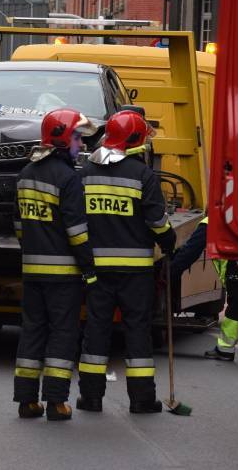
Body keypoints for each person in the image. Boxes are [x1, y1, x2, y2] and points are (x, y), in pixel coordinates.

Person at [77, 110, 176, 414]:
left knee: (96, 330)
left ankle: (91, 397)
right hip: (135, 272)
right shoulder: (143, 176)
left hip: (96, 269)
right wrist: (169, 242)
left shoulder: (85, 173)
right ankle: (142, 398)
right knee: (137, 331)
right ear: (136, 141)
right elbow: (157, 222)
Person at [12, 108, 97, 421]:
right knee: (63, 334)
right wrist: (89, 269)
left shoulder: (25, 175)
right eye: (76, 137)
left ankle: (26, 401)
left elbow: (19, 225)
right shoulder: (68, 178)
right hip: (63, 275)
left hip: (32, 271)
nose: (80, 144)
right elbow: (77, 231)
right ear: (62, 139)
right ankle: (56, 402)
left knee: (32, 332)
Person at [169, 217, 238, 362]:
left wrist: (170, 273)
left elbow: (190, 251)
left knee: (236, 306)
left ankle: (225, 349)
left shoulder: (215, 220)